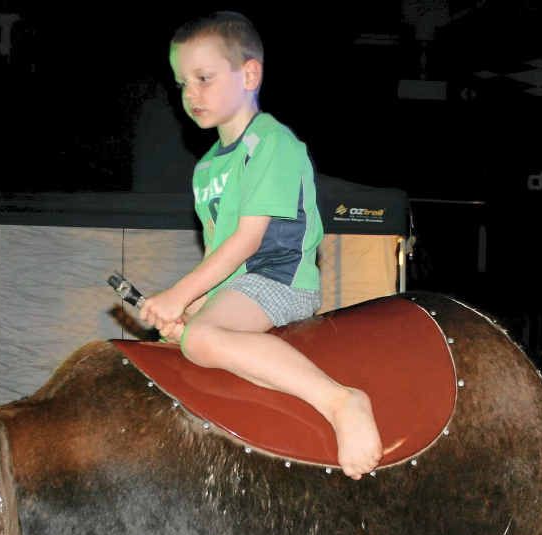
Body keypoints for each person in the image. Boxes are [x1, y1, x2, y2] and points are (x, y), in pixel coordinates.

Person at [139, 11, 382, 479]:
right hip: (244, 285)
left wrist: (180, 298)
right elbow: (217, 257)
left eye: (204, 78)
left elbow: (247, 242)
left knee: (203, 339)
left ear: (249, 74)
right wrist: (193, 308)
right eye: (181, 83)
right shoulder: (207, 168)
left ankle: (342, 401)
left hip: (280, 279)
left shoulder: (272, 144)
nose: (191, 94)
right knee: (193, 338)